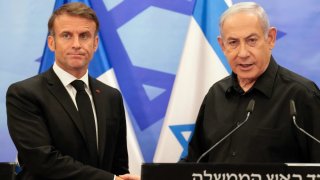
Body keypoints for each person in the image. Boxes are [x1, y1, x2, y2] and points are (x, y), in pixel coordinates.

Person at [6, 2, 139, 180]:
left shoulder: (111, 97)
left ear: (95, 43)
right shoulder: (24, 94)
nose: (76, 44)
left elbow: (118, 163)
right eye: (66, 35)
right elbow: (42, 161)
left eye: (84, 36)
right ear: (52, 43)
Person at [182, 2, 320, 163]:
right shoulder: (216, 94)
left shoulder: (302, 95)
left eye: (251, 40)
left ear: (270, 39)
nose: (243, 53)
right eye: (233, 42)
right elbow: (194, 164)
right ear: (222, 45)